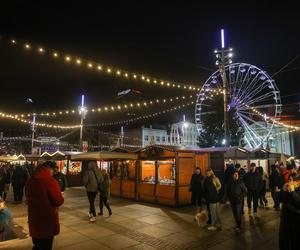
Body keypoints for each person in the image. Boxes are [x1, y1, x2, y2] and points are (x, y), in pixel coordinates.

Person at [25, 161, 64, 250]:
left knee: (37, 244)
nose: (52, 173)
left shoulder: (30, 181)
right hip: (47, 220)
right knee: (46, 246)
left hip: (34, 219)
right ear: (49, 169)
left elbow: (27, 199)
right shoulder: (50, 181)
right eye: (53, 170)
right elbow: (58, 201)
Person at [279, 173, 300, 250]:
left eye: (291, 180)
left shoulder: (295, 191)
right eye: (289, 180)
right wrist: (283, 191)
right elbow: (278, 199)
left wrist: (293, 192)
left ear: (298, 182)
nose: (289, 182)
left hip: (297, 222)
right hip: (285, 221)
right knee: (284, 242)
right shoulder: (287, 189)